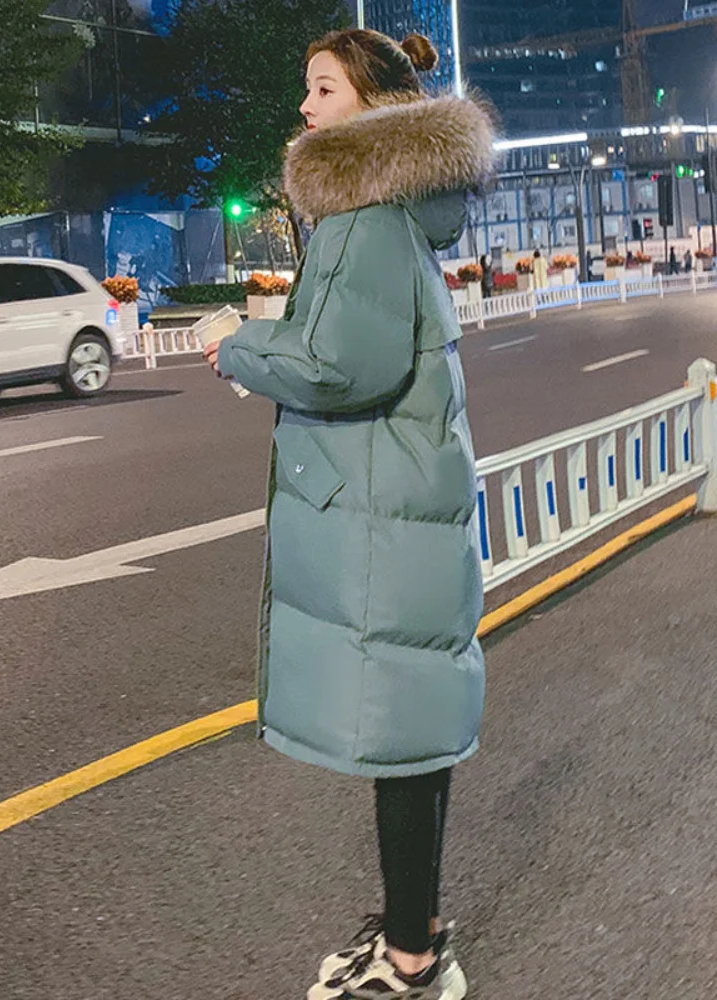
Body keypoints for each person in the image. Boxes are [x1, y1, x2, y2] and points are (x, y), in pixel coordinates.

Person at [201, 27, 493, 1000]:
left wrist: (239, 347)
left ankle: (410, 964)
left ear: (372, 105)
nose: (305, 107)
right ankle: (418, 930)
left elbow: (336, 366)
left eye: (323, 88)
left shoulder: (363, 217)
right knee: (411, 730)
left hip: (380, 513)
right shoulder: (399, 209)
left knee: (398, 733)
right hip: (402, 503)